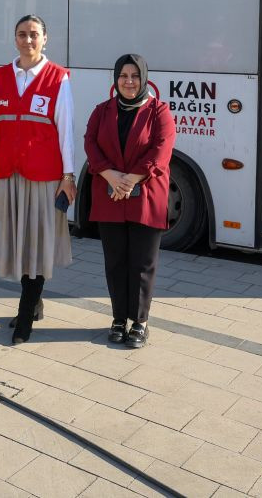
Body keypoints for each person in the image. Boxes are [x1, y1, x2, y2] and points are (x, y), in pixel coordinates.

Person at [0, 15, 75, 344]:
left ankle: (25, 315)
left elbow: (66, 131)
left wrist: (68, 175)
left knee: (35, 246)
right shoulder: (2, 75)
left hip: (43, 177)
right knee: (19, 243)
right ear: (14, 38)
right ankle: (34, 303)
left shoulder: (58, 78)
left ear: (45, 38)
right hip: (8, 175)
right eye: (22, 34)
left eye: (34, 34)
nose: (28, 40)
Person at [83, 54, 174, 349]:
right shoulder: (102, 111)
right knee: (116, 263)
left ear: (144, 78)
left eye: (135, 75)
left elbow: (161, 152)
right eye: (123, 75)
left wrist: (130, 180)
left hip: (145, 197)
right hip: (111, 195)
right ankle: (119, 318)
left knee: (143, 264)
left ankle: (140, 322)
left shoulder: (159, 112)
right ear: (115, 79)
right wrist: (111, 176)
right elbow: (91, 143)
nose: (129, 81)